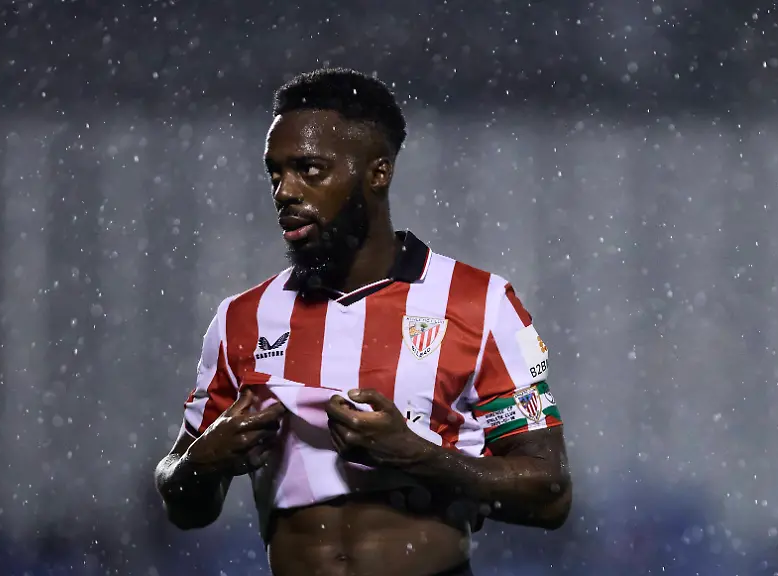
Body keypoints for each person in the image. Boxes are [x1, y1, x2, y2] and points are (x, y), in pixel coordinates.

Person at [153, 68, 572, 576]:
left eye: (309, 170)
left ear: (378, 173)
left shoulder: (480, 304)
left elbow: (549, 495)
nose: (284, 191)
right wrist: (202, 462)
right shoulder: (241, 318)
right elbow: (186, 506)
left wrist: (414, 455)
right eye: (275, 172)